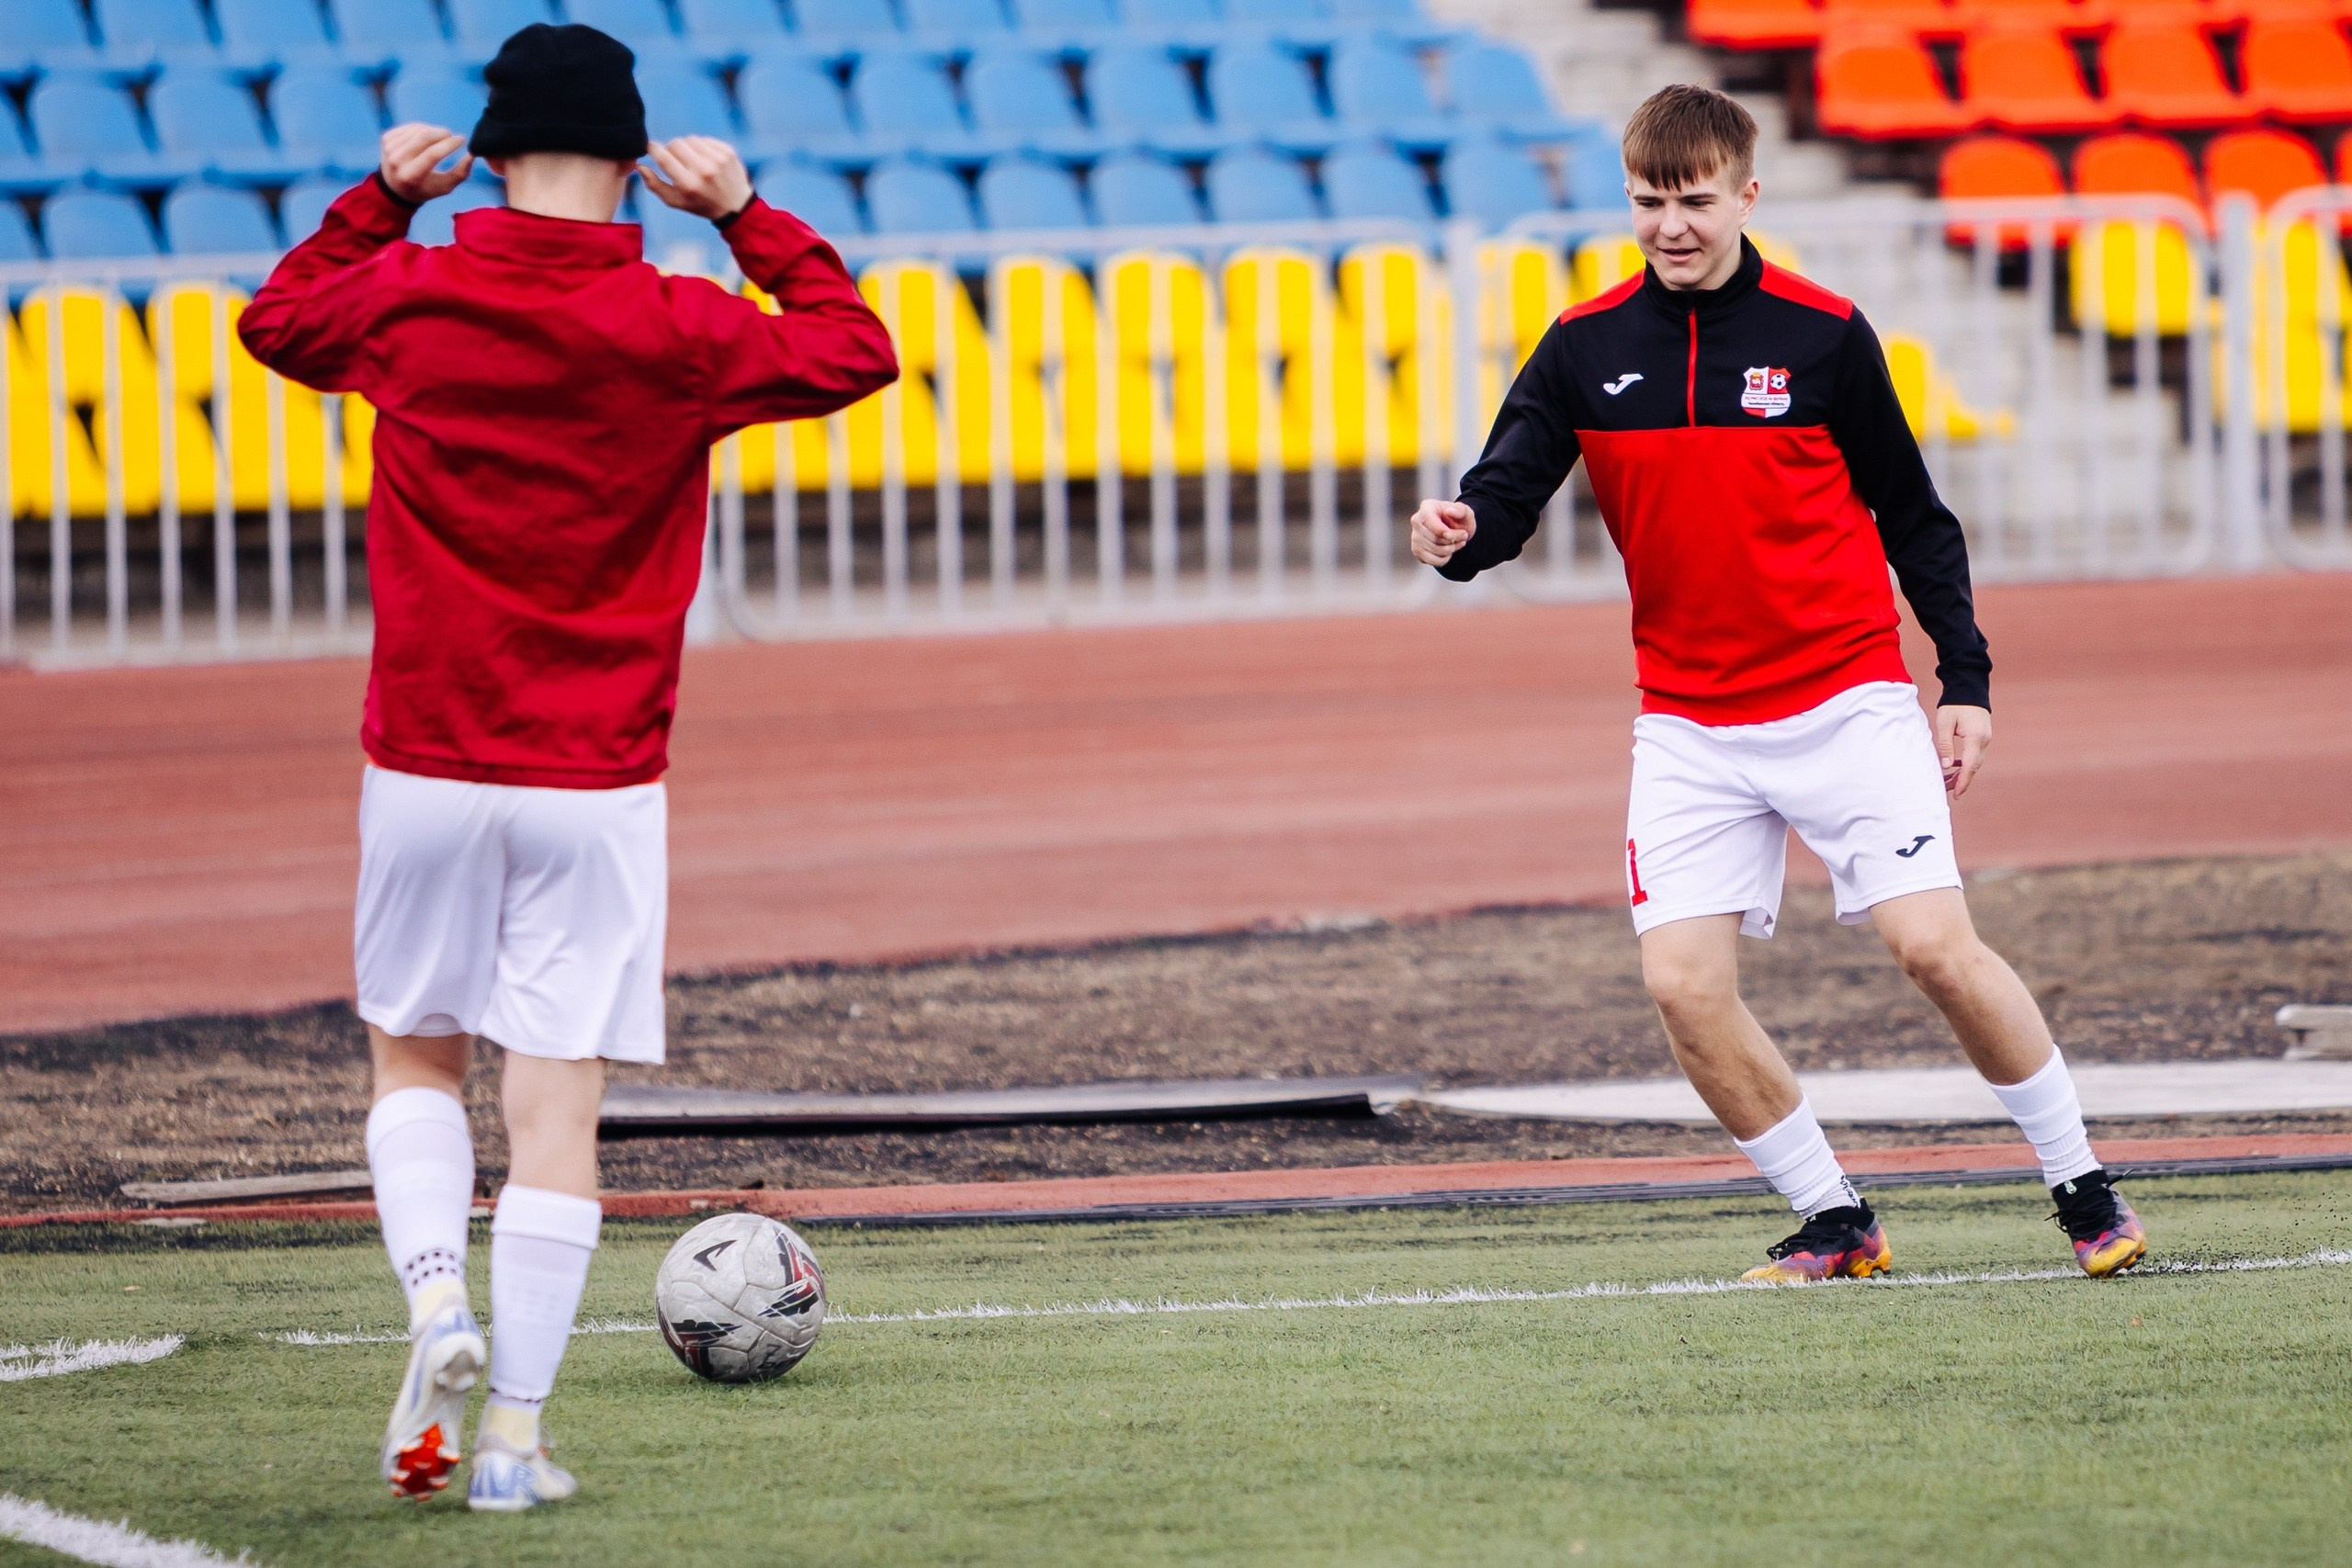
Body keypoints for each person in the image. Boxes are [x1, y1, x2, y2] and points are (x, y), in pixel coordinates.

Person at [239, 23, 897, 1512]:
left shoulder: (405, 295)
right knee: (557, 1106)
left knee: (414, 1051)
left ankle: (432, 1309)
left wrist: (378, 203)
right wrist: (743, 216)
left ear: (486, 146)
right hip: (597, 774)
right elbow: (858, 348)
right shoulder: (678, 319)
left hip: (423, 750)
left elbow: (275, 324)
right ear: (633, 158)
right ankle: (517, 1445)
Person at [1409, 85, 2147, 1286]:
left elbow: (1917, 518)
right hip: (1691, 726)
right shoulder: (1584, 345)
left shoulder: (1822, 334)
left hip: (1848, 699)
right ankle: (1837, 1220)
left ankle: (2084, 1186)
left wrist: (1965, 677)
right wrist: (1458, 532)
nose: (1671, 224)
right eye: (1650, 201)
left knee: (1935, 950)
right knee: (1681, 986)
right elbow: (1505, 496)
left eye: (1694, 200)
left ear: (1747, 195)